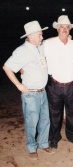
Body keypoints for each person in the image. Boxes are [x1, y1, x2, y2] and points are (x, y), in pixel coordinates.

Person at [2, 21, 55, 160]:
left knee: (45, 120)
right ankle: (32, 147)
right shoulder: (22, 51)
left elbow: (51, 41)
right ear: (30, 36)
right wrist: (19, 85)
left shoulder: (40, 46)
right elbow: (7, 67)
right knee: (32, 122)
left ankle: (43, 144)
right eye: (39, 35)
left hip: (43, 92)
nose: (42, 37)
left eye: (41, 35)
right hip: (31, 94)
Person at [44, 15, 73, 149]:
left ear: (70, 30)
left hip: (72, 84)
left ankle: (72, 135)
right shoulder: (48, 44)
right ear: (57, 29)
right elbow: (35, 55)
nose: (65, 29)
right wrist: (23, 67)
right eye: (62, 27)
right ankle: (54, 138)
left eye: (67, 27)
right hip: (54, 85)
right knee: (54, 113)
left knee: (72, 113)